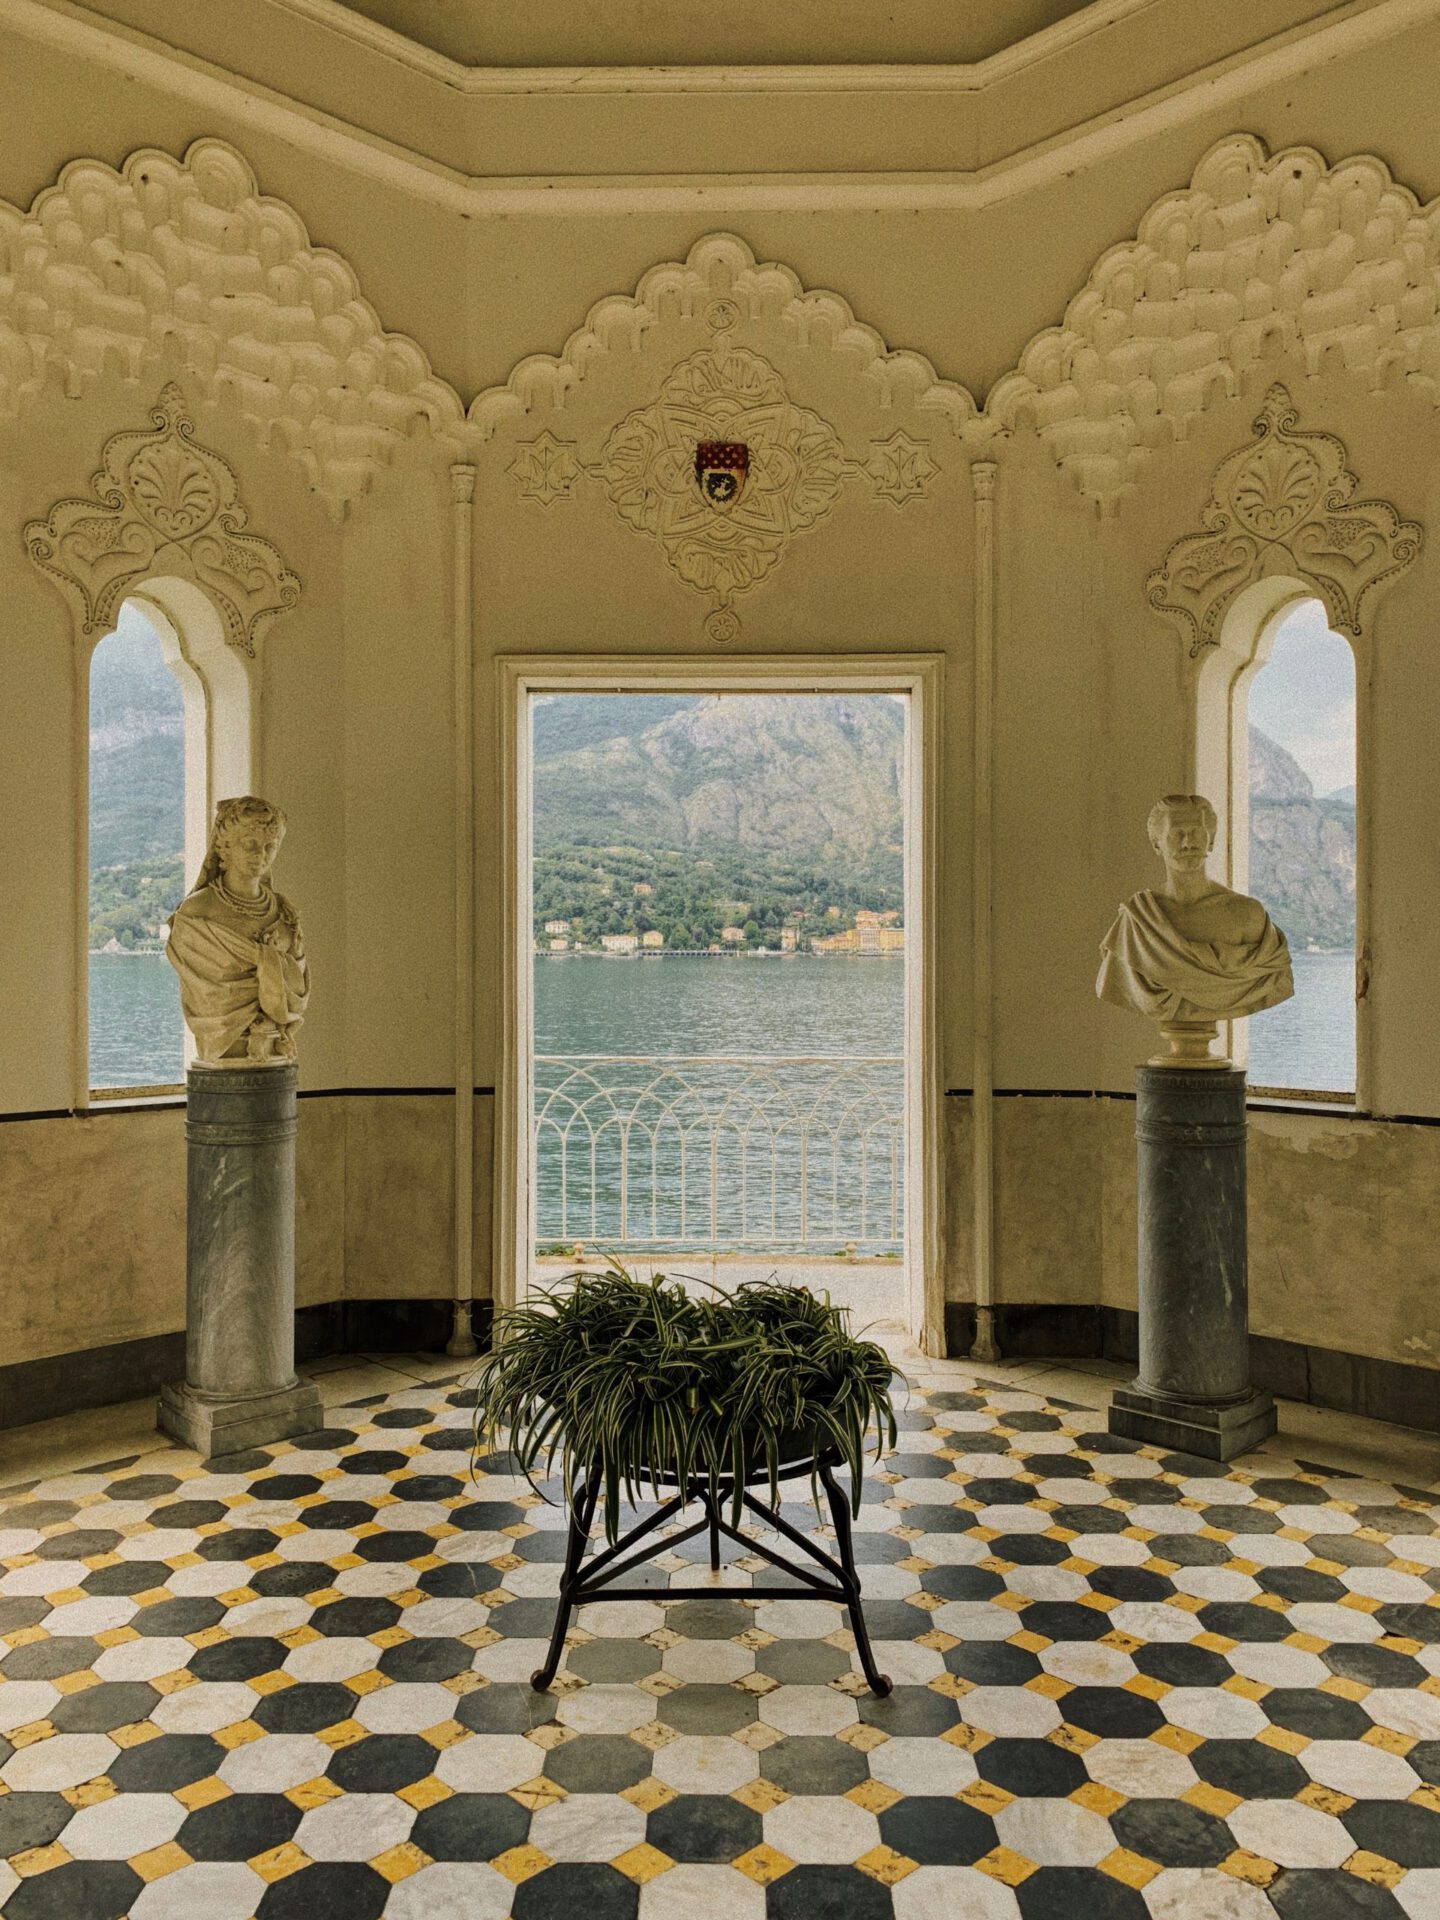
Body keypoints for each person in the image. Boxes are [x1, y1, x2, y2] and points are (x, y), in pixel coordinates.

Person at [1097, 794, 1292, 1061]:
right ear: (1156, 844)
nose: (1188, 843)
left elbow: (1274, 976)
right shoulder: (1137, 921)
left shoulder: (1247, 915)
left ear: (1211, 840)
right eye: (1177, 834)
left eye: (1196, 833)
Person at [166, 796, 309, 1066]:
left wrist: (266, 961)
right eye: (250, 845)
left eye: (270, 847)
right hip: (224, 1050)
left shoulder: (283, 912)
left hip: (274, 1050)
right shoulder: (198, 912)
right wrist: (267, 959)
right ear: (226, 847)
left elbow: (298, 985)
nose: (261, 856)